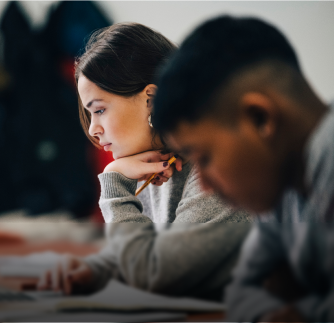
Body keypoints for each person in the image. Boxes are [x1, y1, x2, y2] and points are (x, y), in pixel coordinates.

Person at [38, 22, 251, 301]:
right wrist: (91, 270)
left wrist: (114, 183)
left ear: (151, 99)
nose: (93, 129)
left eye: (99, 110)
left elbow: (158, 276)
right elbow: (144, 252)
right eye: (91, 115)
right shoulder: (156, 166)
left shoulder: (216, 173)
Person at [152, 15, 334, 321]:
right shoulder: (281, 193)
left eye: (204, 158)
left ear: (260, 120)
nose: (205, 185)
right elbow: (242, 295)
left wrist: (301, 311)